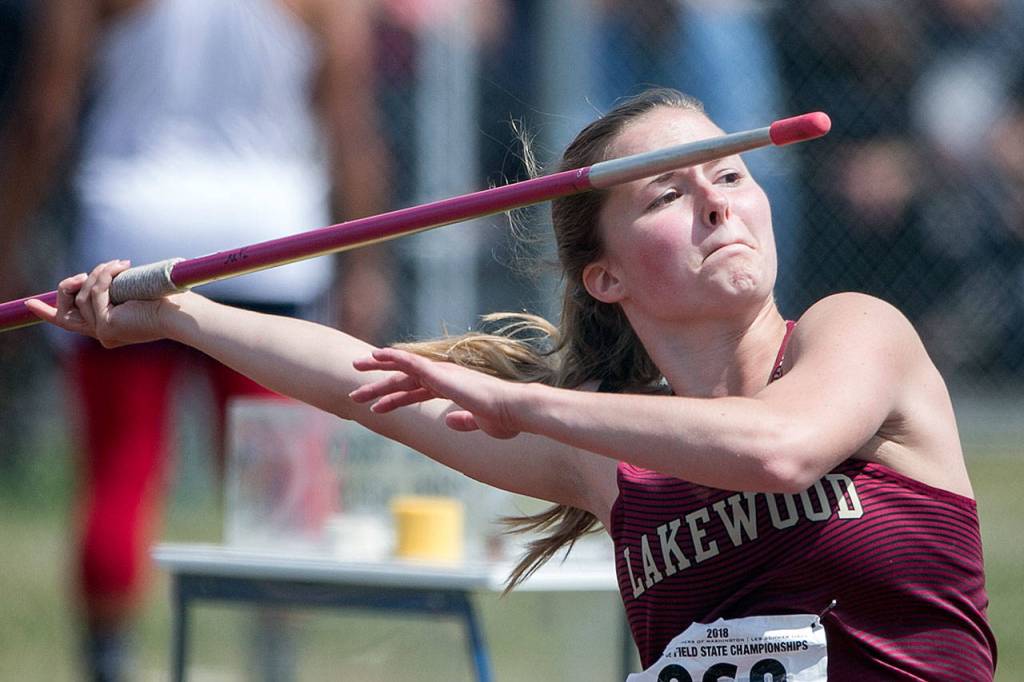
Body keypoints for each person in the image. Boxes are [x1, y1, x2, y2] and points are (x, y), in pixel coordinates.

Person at [28, 88, 998, 679]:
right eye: (669, 190)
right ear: (605, 276)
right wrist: (177, 316)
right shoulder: (612, 458)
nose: (716, 198)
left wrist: (521, 402)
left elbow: (777, 449)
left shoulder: (854, 334)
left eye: (733, 174)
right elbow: (361, 380)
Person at [0, 0, 392, 678]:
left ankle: (108, 661)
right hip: (269, 245)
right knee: (277, 489)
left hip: (129, 240)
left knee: (119, 470)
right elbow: (349, 121)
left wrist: (7, 235)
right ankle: (275, 661)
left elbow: (44, 112)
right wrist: (365, 266)